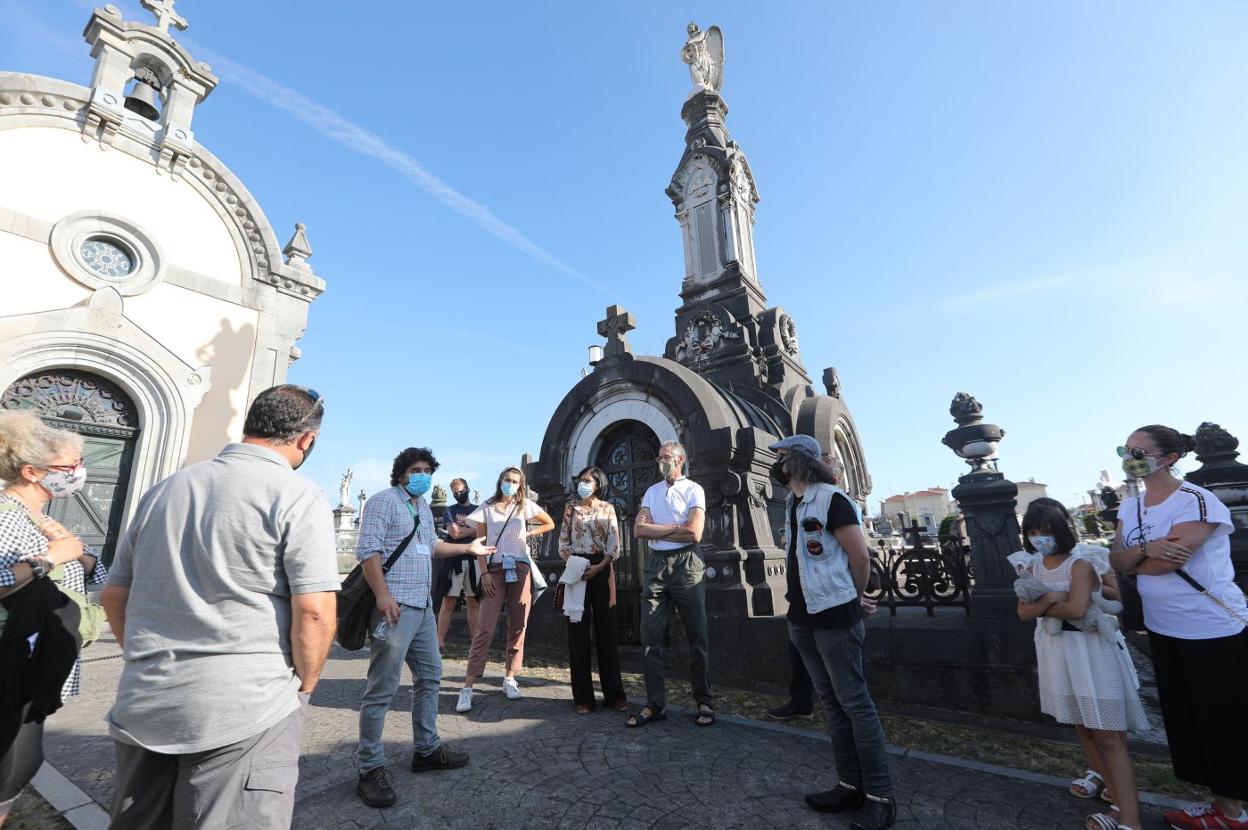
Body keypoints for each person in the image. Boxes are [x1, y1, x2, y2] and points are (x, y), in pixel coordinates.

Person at [101, 385, 339, 830]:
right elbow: (315, 611)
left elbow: (115, 596)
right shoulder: (297, 495)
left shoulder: (166, 489)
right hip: (245, 707)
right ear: (307, 440)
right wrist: (305, 686)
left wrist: (145, 654)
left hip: (146, 697)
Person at [1108, 425, 1247, 830]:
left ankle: (1234, 810)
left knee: (1222, 718)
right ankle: (1219, 802)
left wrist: (1141, 556)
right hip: (1163, 626)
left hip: (1210, 626)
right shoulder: (1130, 506)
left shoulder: (1196, 502)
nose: (1130, 455)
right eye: (1125, 448)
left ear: (1168, 458)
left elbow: (1170, 560)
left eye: (1138, 450)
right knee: (1188, 721)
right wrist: (1144, 549)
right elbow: (1117, 560)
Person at [355, 451, 494, 808]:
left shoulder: (420, 508)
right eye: (416, 471)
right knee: (382, 689)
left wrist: (468, 545)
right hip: (394, 608)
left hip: (422, 607)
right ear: (400, 474)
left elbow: (431, 546)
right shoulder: (382, 502)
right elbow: (368, 551)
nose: (423, 476)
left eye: (428, 471)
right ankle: (370, 767)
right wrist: (383, 595)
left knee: (430, 678)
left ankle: (427, 750)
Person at [770, 434, 894, 830]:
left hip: (834, 614)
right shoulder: (793, 502)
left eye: (783, 456)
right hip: (802, 616)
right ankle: (848, 784)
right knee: (831, 702)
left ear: (800, 461)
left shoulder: (832, 500)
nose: (778, 463)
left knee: (855, 703)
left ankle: (879, 795)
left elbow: (859, 556)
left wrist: (853, 598)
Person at [0, 411, 106, 827]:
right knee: (10, 766)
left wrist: (78, 553)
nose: (79, 473)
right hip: (10, 663)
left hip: (30, 662)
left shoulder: (37, 516)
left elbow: (92, 576)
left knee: (19, 761)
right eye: (69, 467)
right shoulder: (7, 515)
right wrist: (50, 559)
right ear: (31, 471)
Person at [1014, 498, 1146, 830]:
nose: (1039, 537)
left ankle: (1129, 817)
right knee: (1084, 727)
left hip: (1090, 650)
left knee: (1108, 734)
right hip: (1057, 650)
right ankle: (1113, 798)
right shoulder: (1033, 567)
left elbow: (1076, 610)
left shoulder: (1081, 564)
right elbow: (1022, 612)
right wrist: (1055, 599)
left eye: (1045, 530)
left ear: (1060, 530)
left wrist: (1046, 603)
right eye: (1032, 531)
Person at [626, 441, 713, 728]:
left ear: (680, 460)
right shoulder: (652, 491)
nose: (662, 462)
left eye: (667, 458)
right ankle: (655, 703)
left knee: (696, 634)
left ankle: (704, 699)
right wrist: (677, 528)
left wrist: (659, 531)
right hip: (656, 564)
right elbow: (639, 529)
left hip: (687, 565)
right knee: (650, 635)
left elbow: (695, 532)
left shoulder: (693, 489)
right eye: (659, 458)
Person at [457, 466, 554, 713]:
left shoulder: (524, 506)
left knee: (518, 623)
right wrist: (485, 573)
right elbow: (479, 544)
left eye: (515, 481)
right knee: (485, 627)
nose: (510, 484)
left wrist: (530, 531)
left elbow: (549, 522)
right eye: (507, 479)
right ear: (500, 480)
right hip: (496, 568)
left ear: (521, 484)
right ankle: (467, 686)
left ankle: (510, 677)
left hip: (520, 567)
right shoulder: (486, 508)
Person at [558, 466, 628, 714]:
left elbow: (614, 543)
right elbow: (563, 543)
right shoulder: (570, 509)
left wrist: (599, 566)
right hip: (577, 565)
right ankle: (583, 697)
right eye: (580, 480)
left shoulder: (607, 508)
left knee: (606, 629)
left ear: (598, 483)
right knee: (577, 630)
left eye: (587, 480)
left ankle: (614, 694)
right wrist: (574, 564)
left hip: (602, 566)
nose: (582, 483)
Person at [435, 477, 481, 650]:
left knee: (473, 602)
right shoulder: (450, 510)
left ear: (468, 489)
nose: (459, 495)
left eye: (461, 492)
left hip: (475, 559)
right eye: (455, 493)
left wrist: (465, 531)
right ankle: (439, 642)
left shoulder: (478, 509)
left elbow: (483, 532)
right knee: (449, 601)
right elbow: (454, 534)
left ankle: (475, 644)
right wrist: (474, 530)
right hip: (455, 558)